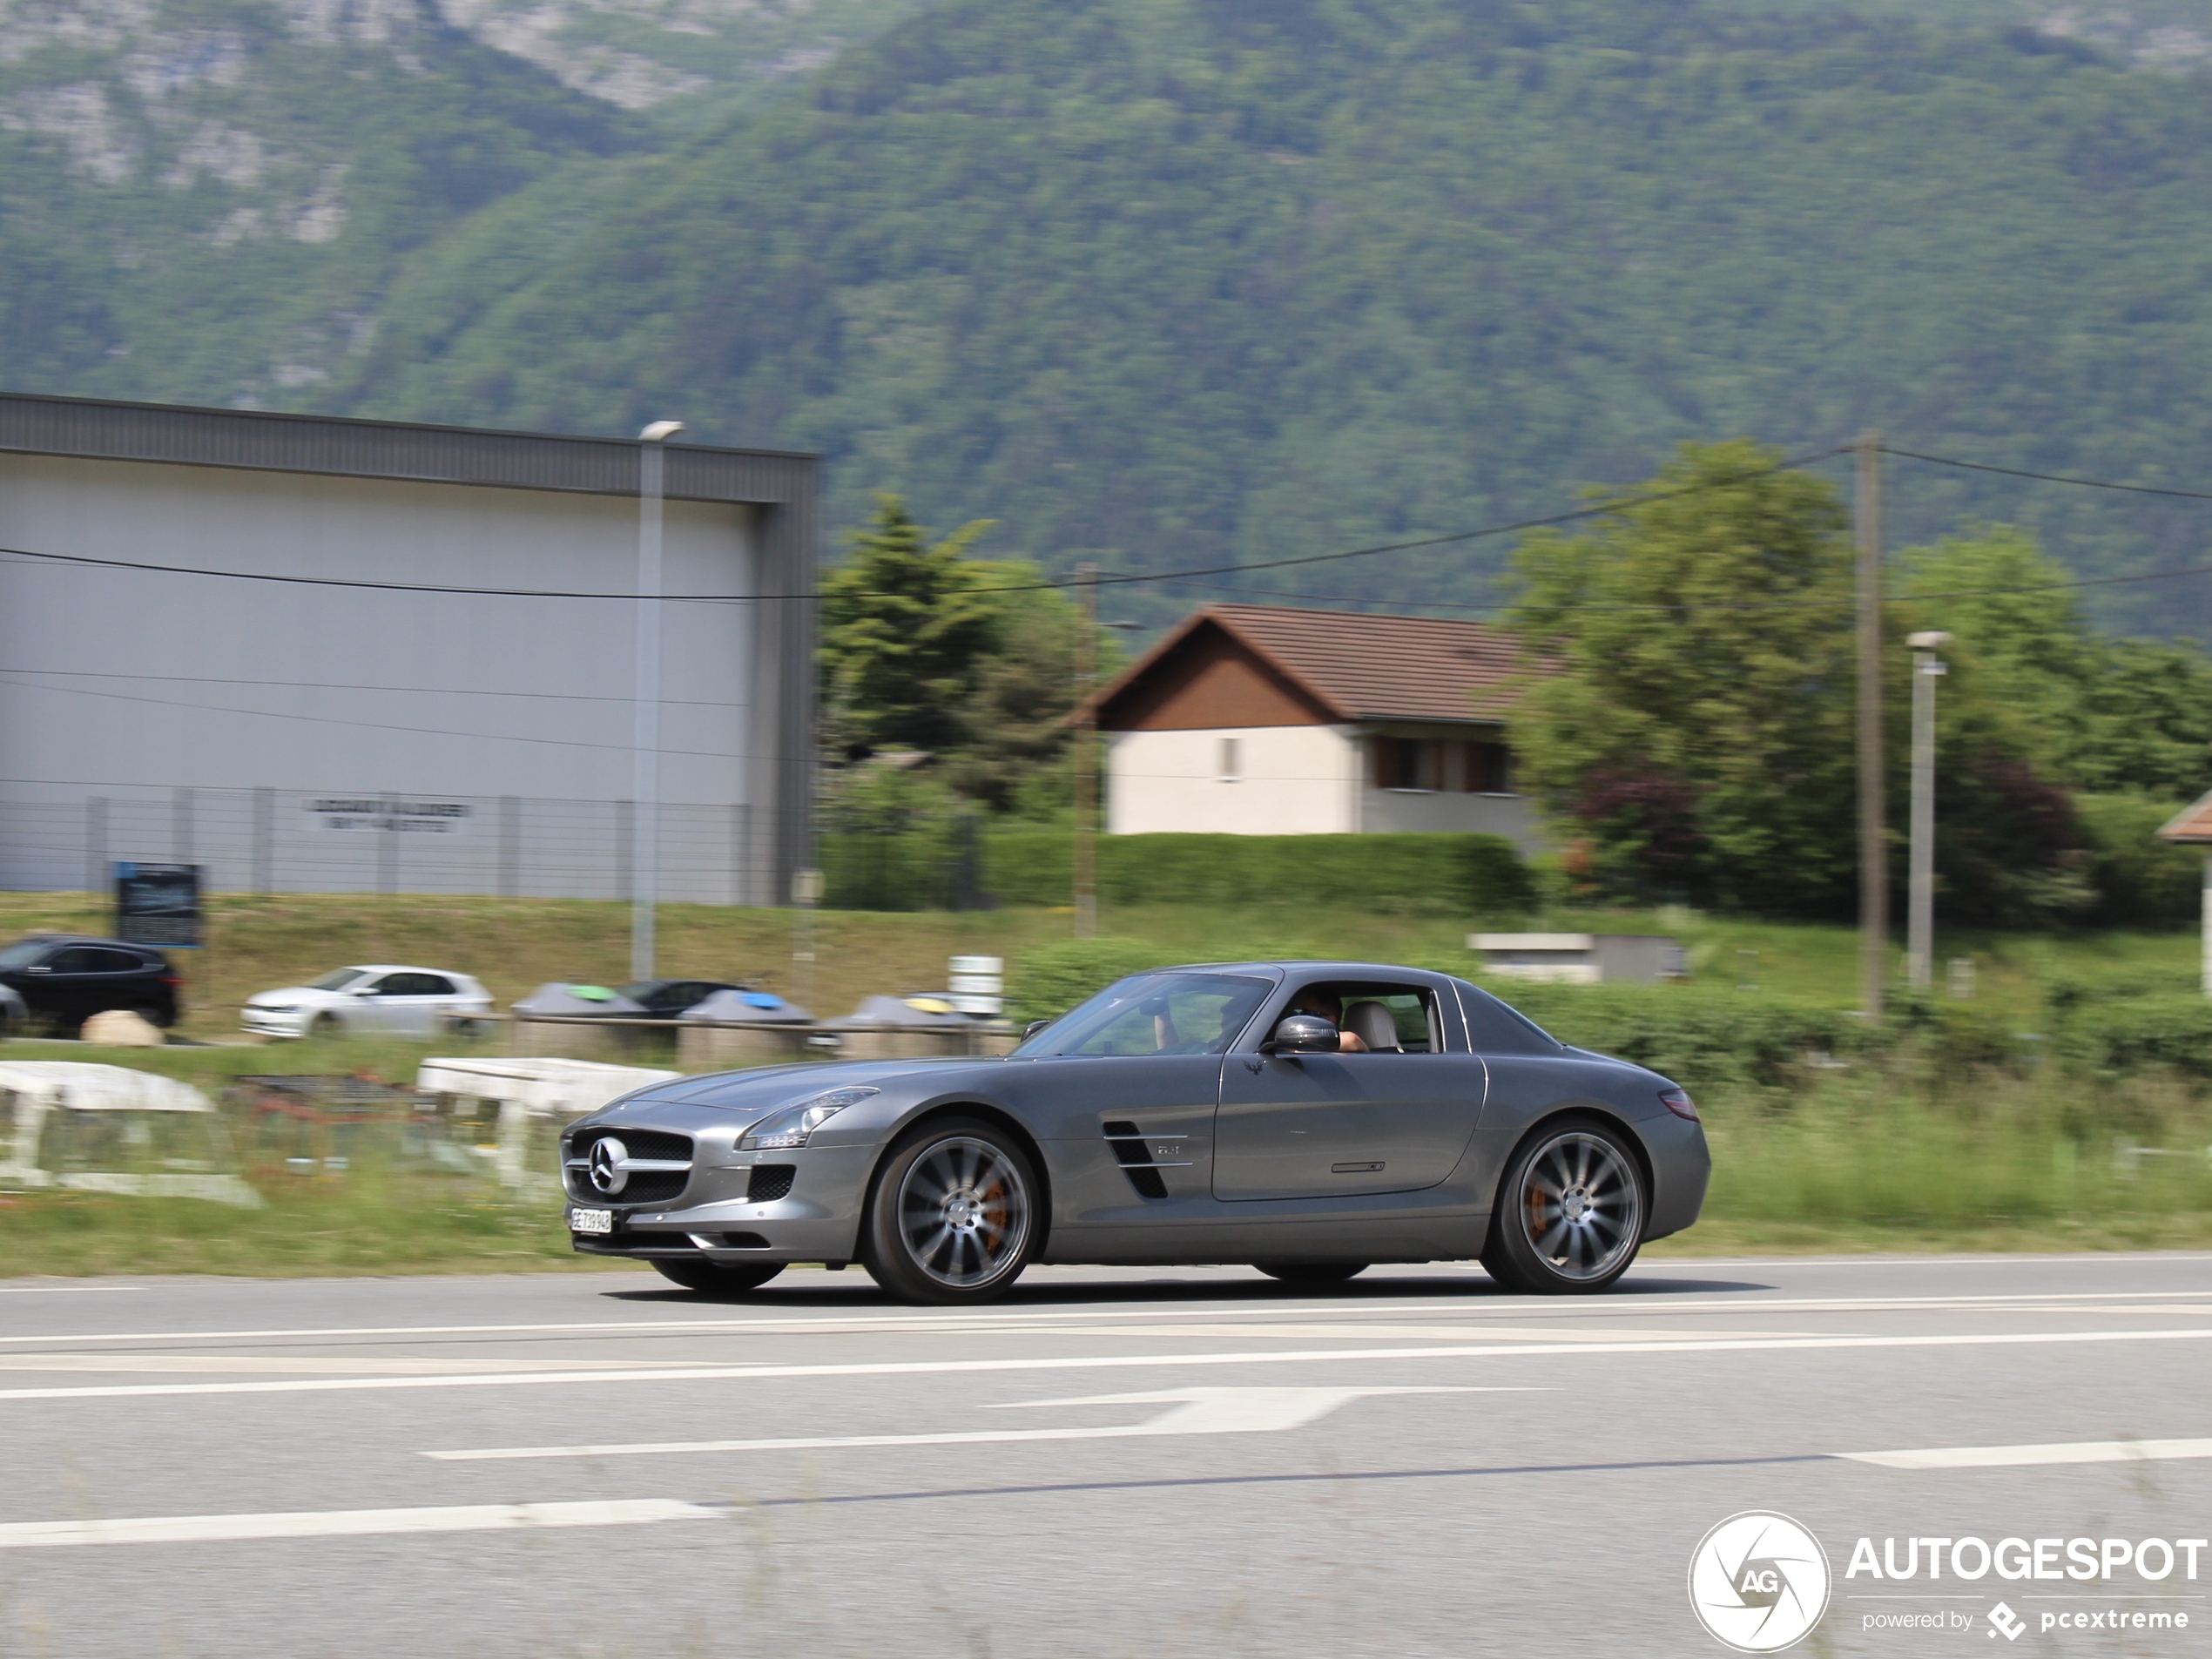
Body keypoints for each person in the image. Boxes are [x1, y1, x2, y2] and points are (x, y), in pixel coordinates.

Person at [1287, 986, 1367, 1052]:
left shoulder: (1346, 1045)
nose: (1298, 1019)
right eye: (1295, 1013)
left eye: (1305, 1013)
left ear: (1330, 1021)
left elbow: (1352, 1040)